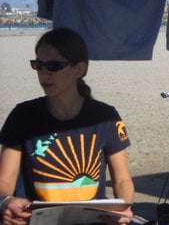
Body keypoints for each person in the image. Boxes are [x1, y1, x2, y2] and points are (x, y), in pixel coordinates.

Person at [0, 27, 134, 224]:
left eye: (53, 66)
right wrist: (5, 201)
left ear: (79, 69)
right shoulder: (22, 116)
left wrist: (125, 209)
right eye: (38, 65)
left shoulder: (106, 117)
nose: (44, 73)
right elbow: (4, 180)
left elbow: (122, 179)